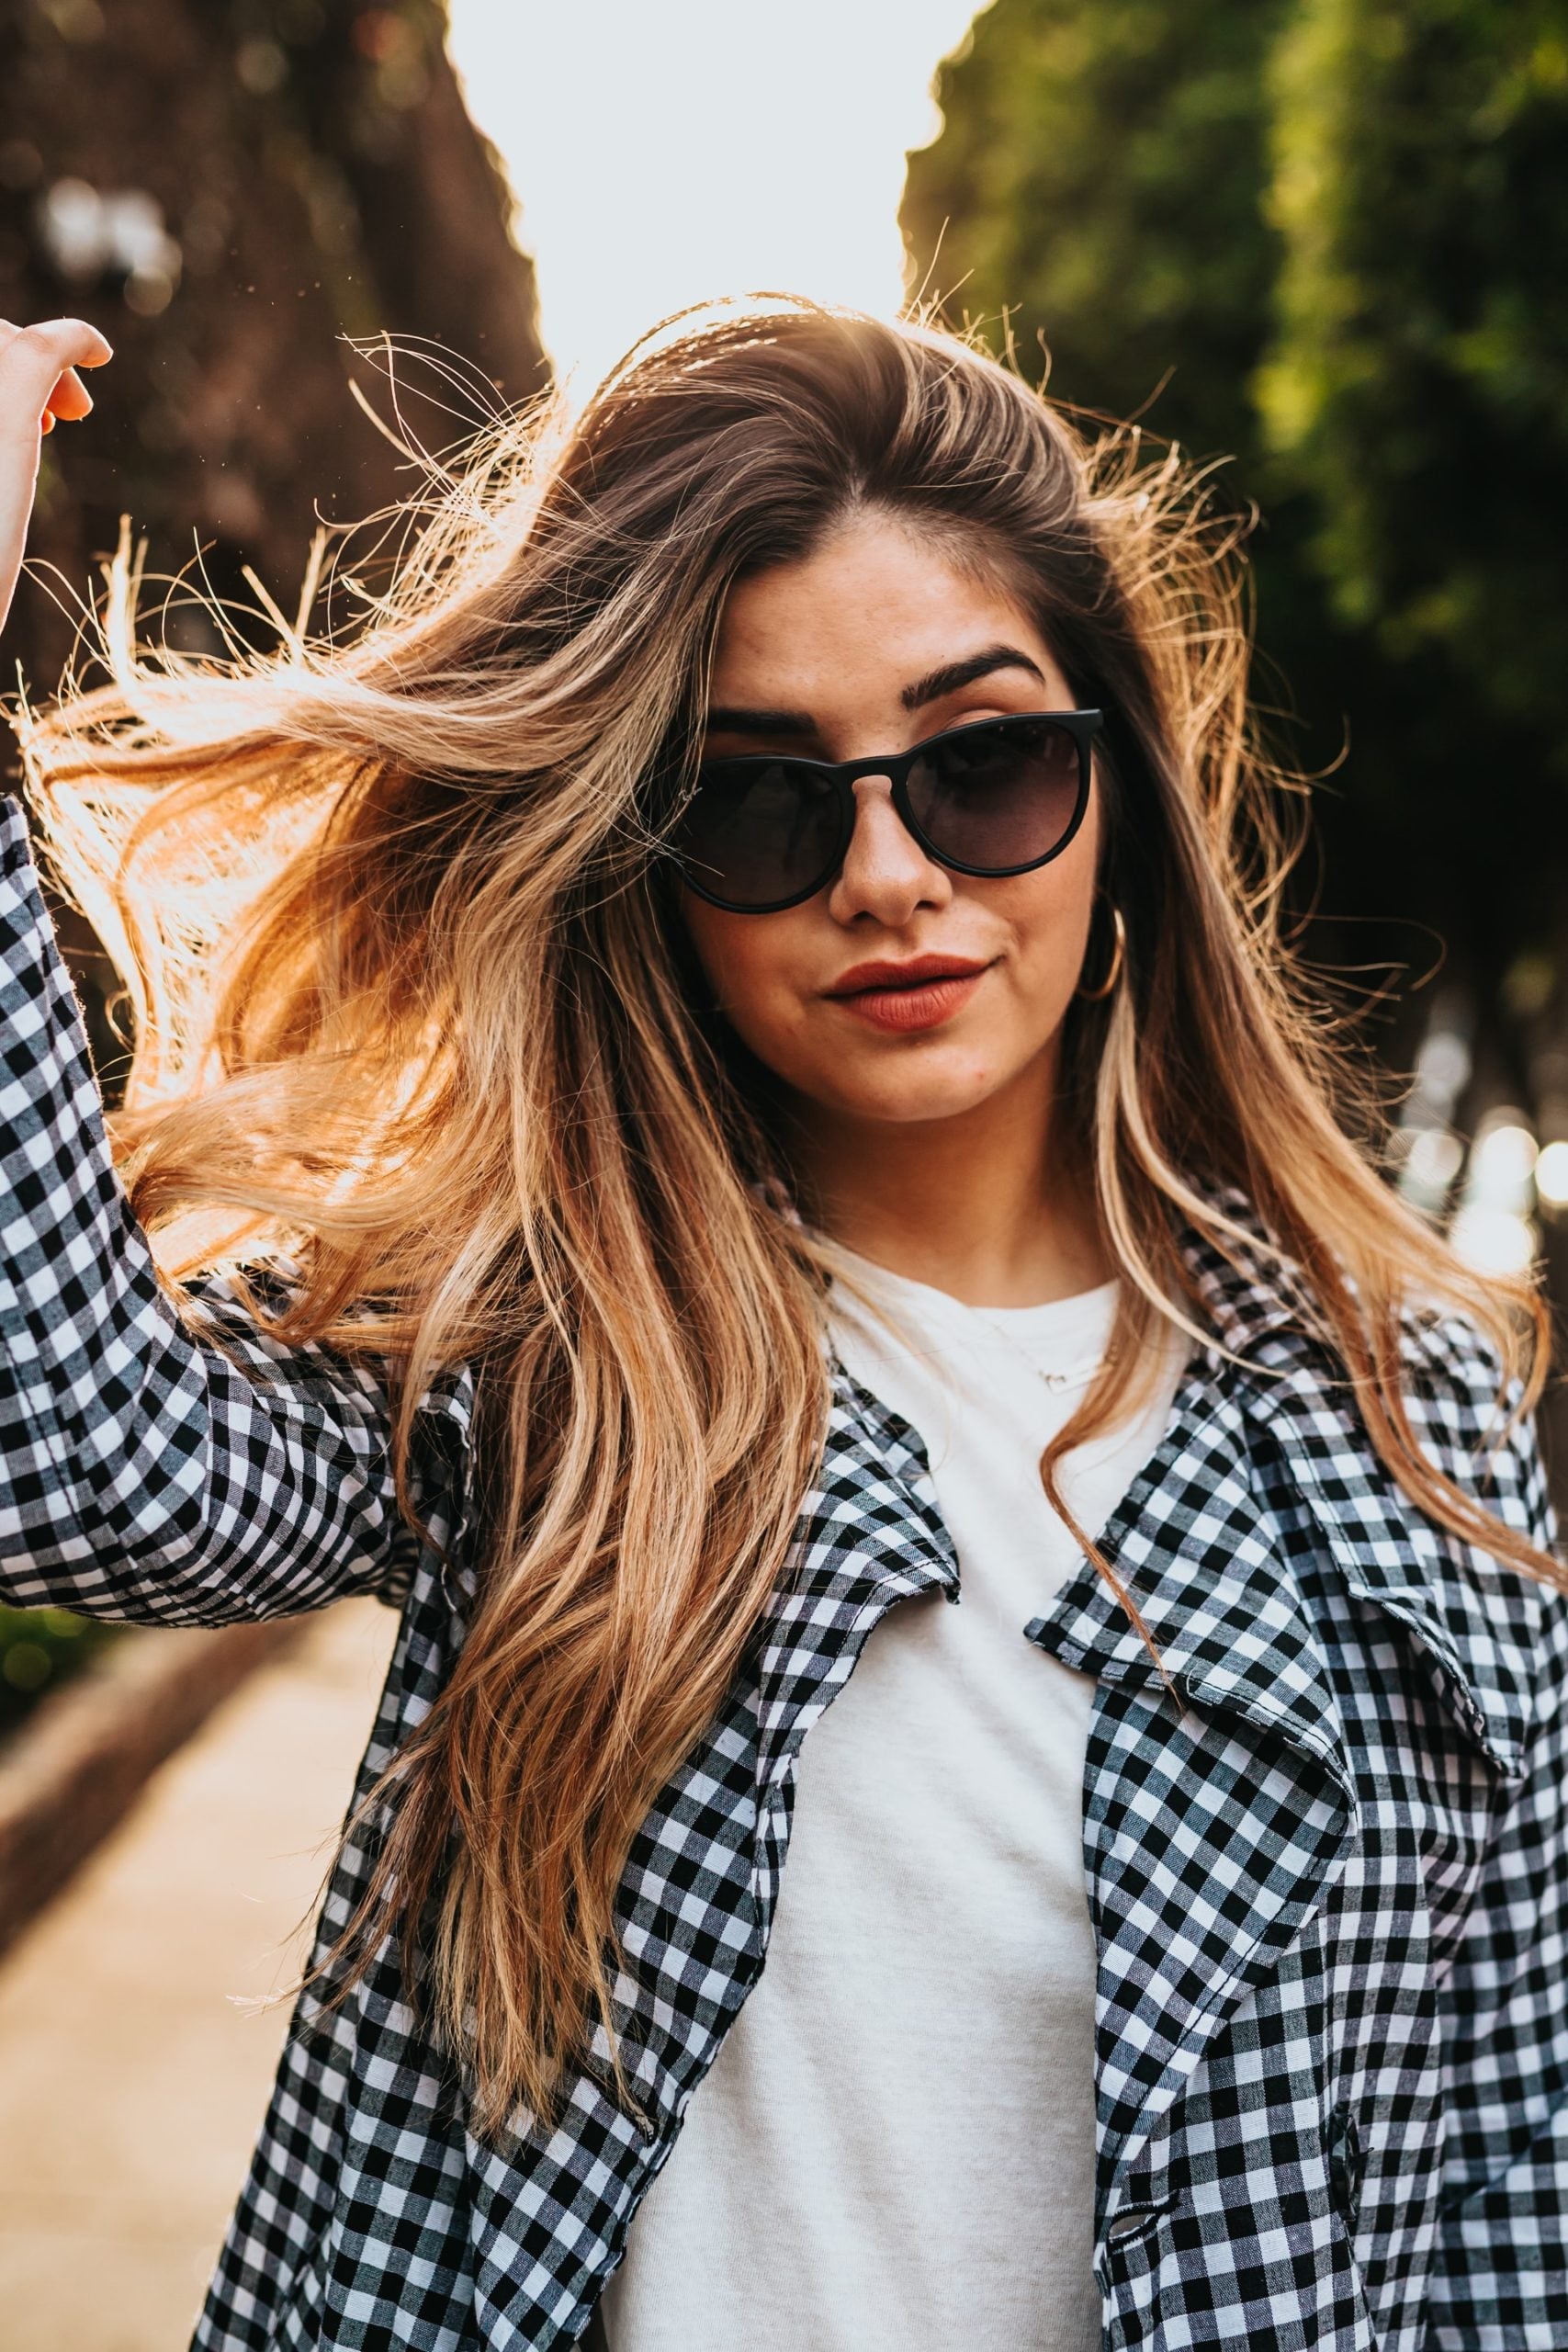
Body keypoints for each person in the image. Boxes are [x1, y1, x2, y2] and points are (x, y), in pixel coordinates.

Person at [0, 298, 1564, 2352]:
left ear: (1119, 783)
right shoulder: (548, 1344)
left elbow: (1506, 2203)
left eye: (983, 763)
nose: (890, 873)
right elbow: (72, 1464)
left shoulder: (1408, 1409)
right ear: (644, 870)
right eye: (756, 803)